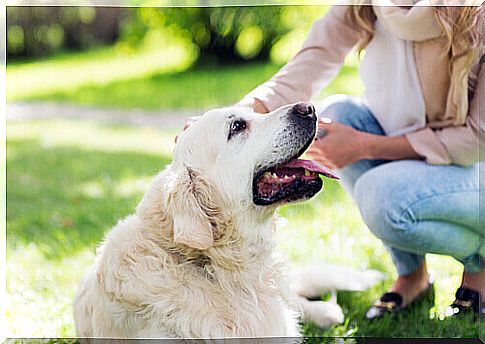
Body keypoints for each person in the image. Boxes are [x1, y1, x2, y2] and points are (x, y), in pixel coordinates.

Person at [236, 0, 484, 318]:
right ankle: (413, 274)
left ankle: (480, 261)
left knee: (381, 196)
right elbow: (310, 62)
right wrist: (238, 114)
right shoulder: (367, 5)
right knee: (336, 119)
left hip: (472, 170)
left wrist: (367, 146)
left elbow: (478, 139)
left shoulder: (475, 13)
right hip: (412, 157)